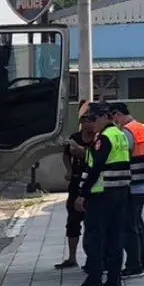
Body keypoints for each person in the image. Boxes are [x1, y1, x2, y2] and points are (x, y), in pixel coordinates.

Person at [73, 103, 130, 286]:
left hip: (102, 193)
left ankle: (94, 279)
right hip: (120, 193)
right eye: (90, 119)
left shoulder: (104, 138)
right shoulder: (120, 135)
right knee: (115, 236)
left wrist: (82, 194)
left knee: (94, 237)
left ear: (105, 117)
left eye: (94, 119)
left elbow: (95, 168)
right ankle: (114, 279)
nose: (92, 123)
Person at [112, 102, 144, 277]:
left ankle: (133, 265)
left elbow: (124, 155)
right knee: (138, 224)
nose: (114, 121)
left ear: (118, 114)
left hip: (132, 184)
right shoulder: (140, 127)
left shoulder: (127, 131)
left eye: (114, 117)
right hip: (142, 182)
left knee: (129, 226)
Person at [56, 103, 95, 269]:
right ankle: (72, 257)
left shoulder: (99, 139)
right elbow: (65, 156)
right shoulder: (75, 138)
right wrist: (69, 170)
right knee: (73, 220)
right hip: (76, 182)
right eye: (83, 120)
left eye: (89, 120)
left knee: (93, 223)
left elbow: (96, 157)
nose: (86, 124)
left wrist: (82, 152)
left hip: (93, 183)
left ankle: (93, 258)